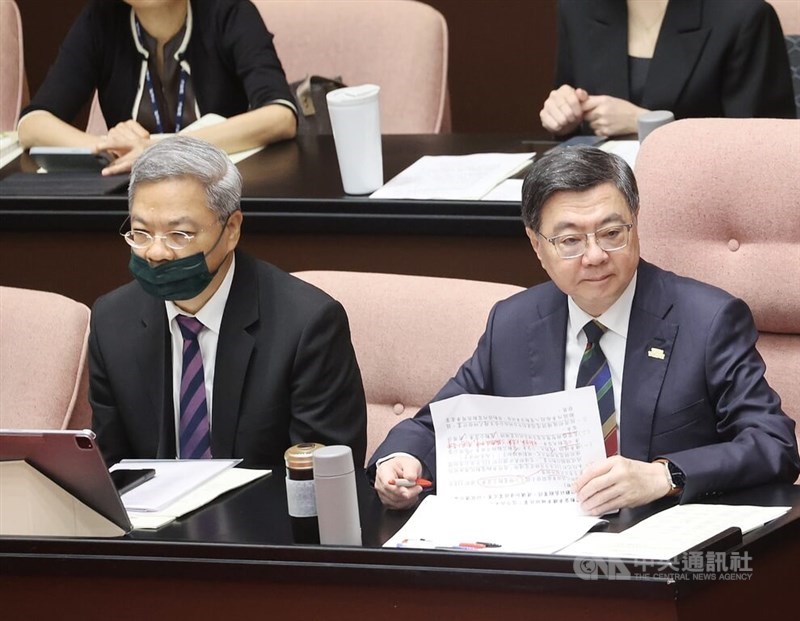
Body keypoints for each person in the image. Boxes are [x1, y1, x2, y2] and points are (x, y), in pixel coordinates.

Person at [369, 146, 800, 513]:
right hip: (545, 553)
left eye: (611, 232)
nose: (594, 256)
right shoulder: (514, 323)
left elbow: (772, 444)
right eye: (570, 241)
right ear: (538, 247)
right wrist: (403, 460)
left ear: (635, 225)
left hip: (662, 551)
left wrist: (665, 476)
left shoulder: (707, 320)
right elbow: (437, 424)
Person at [89, 135, 366, 468]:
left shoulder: (307, 325)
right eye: (141, 233)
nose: (157, 253)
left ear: (231, 229)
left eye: (179, 235)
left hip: (265, 517)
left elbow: (324, 478)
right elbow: (108, 470)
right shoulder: (111, 321)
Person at [17, 0, 297, 175]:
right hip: (134, 197)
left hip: (217, 189)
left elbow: (280, 116)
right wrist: (108, 150)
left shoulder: (230, 10)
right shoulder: (100, 19)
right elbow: (32, 124)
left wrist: (156, 149)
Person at [540, 0, 796, 138]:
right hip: (599, 201)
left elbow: (762, 146)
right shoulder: (577, 8)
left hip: (703, 203)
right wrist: (563, 116)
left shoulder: (745, 15)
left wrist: (644, 123)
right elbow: (574, 112)